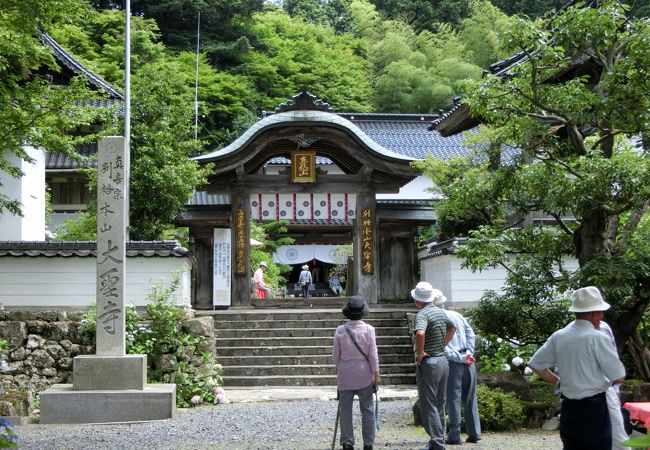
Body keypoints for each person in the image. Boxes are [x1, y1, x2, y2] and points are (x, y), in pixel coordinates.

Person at [528, 286, 626, 450]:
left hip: (569, 407)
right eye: (601, 312)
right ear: (593, 313)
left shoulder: (559, 335)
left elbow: (535, 363)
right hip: (594, 407)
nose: (602, 316)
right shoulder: (597, 337)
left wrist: (557, 381)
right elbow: (619, 376)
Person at [411, 281, 456, 450]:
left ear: (417, 301)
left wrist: (420, 352)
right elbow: (453, 328)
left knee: (428, 403)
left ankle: (437, 442)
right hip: (443, 361)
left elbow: (420, 332)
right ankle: (438, 440)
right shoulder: (439, 311)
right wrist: (443, 344)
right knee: (439, 403)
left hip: (429, 363)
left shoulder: (422, 314)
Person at [332, 296, 381, 450]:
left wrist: (342, 368)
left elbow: (335, 356)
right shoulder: (369, 330)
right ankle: (368, 443)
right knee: (367, 408)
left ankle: (347, 442)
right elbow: (373, 355)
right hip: (364, 374)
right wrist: (376, 374)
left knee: (345, 409)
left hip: (345, 375)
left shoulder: (340, 330)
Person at [432, 291, 481, 445]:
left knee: (453, 398)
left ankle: (454, 435)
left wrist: (460, 358)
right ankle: (474, 433)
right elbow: (471, 333)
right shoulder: (457, 315)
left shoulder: (435, 319)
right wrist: (469, 352)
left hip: (453, 363)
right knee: (470, 397)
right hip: (469, 360)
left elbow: (441, 345)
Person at [597, 320, 631, 450]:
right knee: (617, 438)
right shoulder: (600, 330)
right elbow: (618, 375)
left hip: (603, 390)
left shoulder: (603, 328)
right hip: (602, 390)